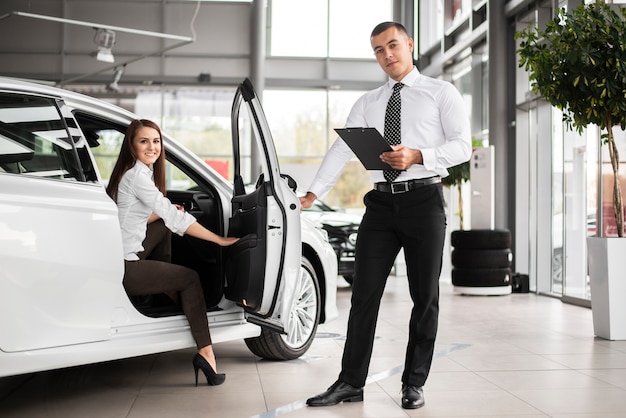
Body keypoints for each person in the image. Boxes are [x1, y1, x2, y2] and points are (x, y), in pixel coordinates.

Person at [301, 22, 471, 409]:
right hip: (379, 205)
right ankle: (350, 382)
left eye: (392, 45)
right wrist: (314, 191)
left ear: (409, 45)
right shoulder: (368, 102)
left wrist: (418, 155)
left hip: (424, 201)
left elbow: (463, 145)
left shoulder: (441, 93)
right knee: (363, 296)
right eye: (378, 50)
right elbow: (342, 150)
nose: (387, 55)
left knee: (424, 296)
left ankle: (414, 383)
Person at [106, 119, 239, 387]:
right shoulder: (137, 176)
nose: (152, 147)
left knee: (165, 224)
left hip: (118, 255)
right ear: (131, 145)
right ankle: (206, 352)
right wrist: (219, 240)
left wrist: (168, 214)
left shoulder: (134, 173)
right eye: (144, 141)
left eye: (156, 141)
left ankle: (165, 291)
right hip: (124, 267)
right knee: (190, 278)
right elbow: (172, 217)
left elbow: (133, 218)